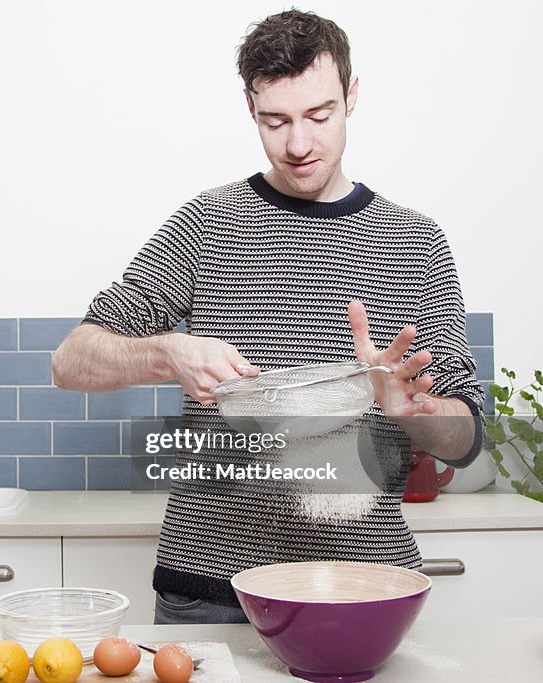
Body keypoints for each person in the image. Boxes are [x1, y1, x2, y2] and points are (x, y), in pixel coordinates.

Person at [51, 9, 484, 625]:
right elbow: (70, 361)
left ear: (352, 95)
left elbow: (467, 440)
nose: (298, 144)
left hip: (358, 586)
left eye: (319, 115)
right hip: (206, 592)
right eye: (274, 120)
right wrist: (167, 351)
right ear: (249, 106)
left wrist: (414, 411)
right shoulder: (207, 223)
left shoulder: (415, 242)